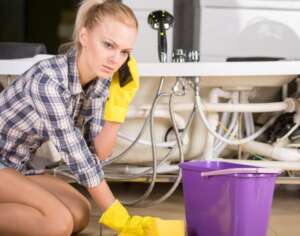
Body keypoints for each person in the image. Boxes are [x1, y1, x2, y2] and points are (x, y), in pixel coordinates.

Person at [0, 0, 185, 235]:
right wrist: (123, 221)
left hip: (15, 167)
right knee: (57, 224)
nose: (116, 59)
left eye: (124, 52)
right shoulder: (47, 81)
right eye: (108, 45)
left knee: (80, 212)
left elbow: (98, 153)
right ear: (84, 36)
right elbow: (78, 157)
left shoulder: (100, 82)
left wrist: (119, 105)